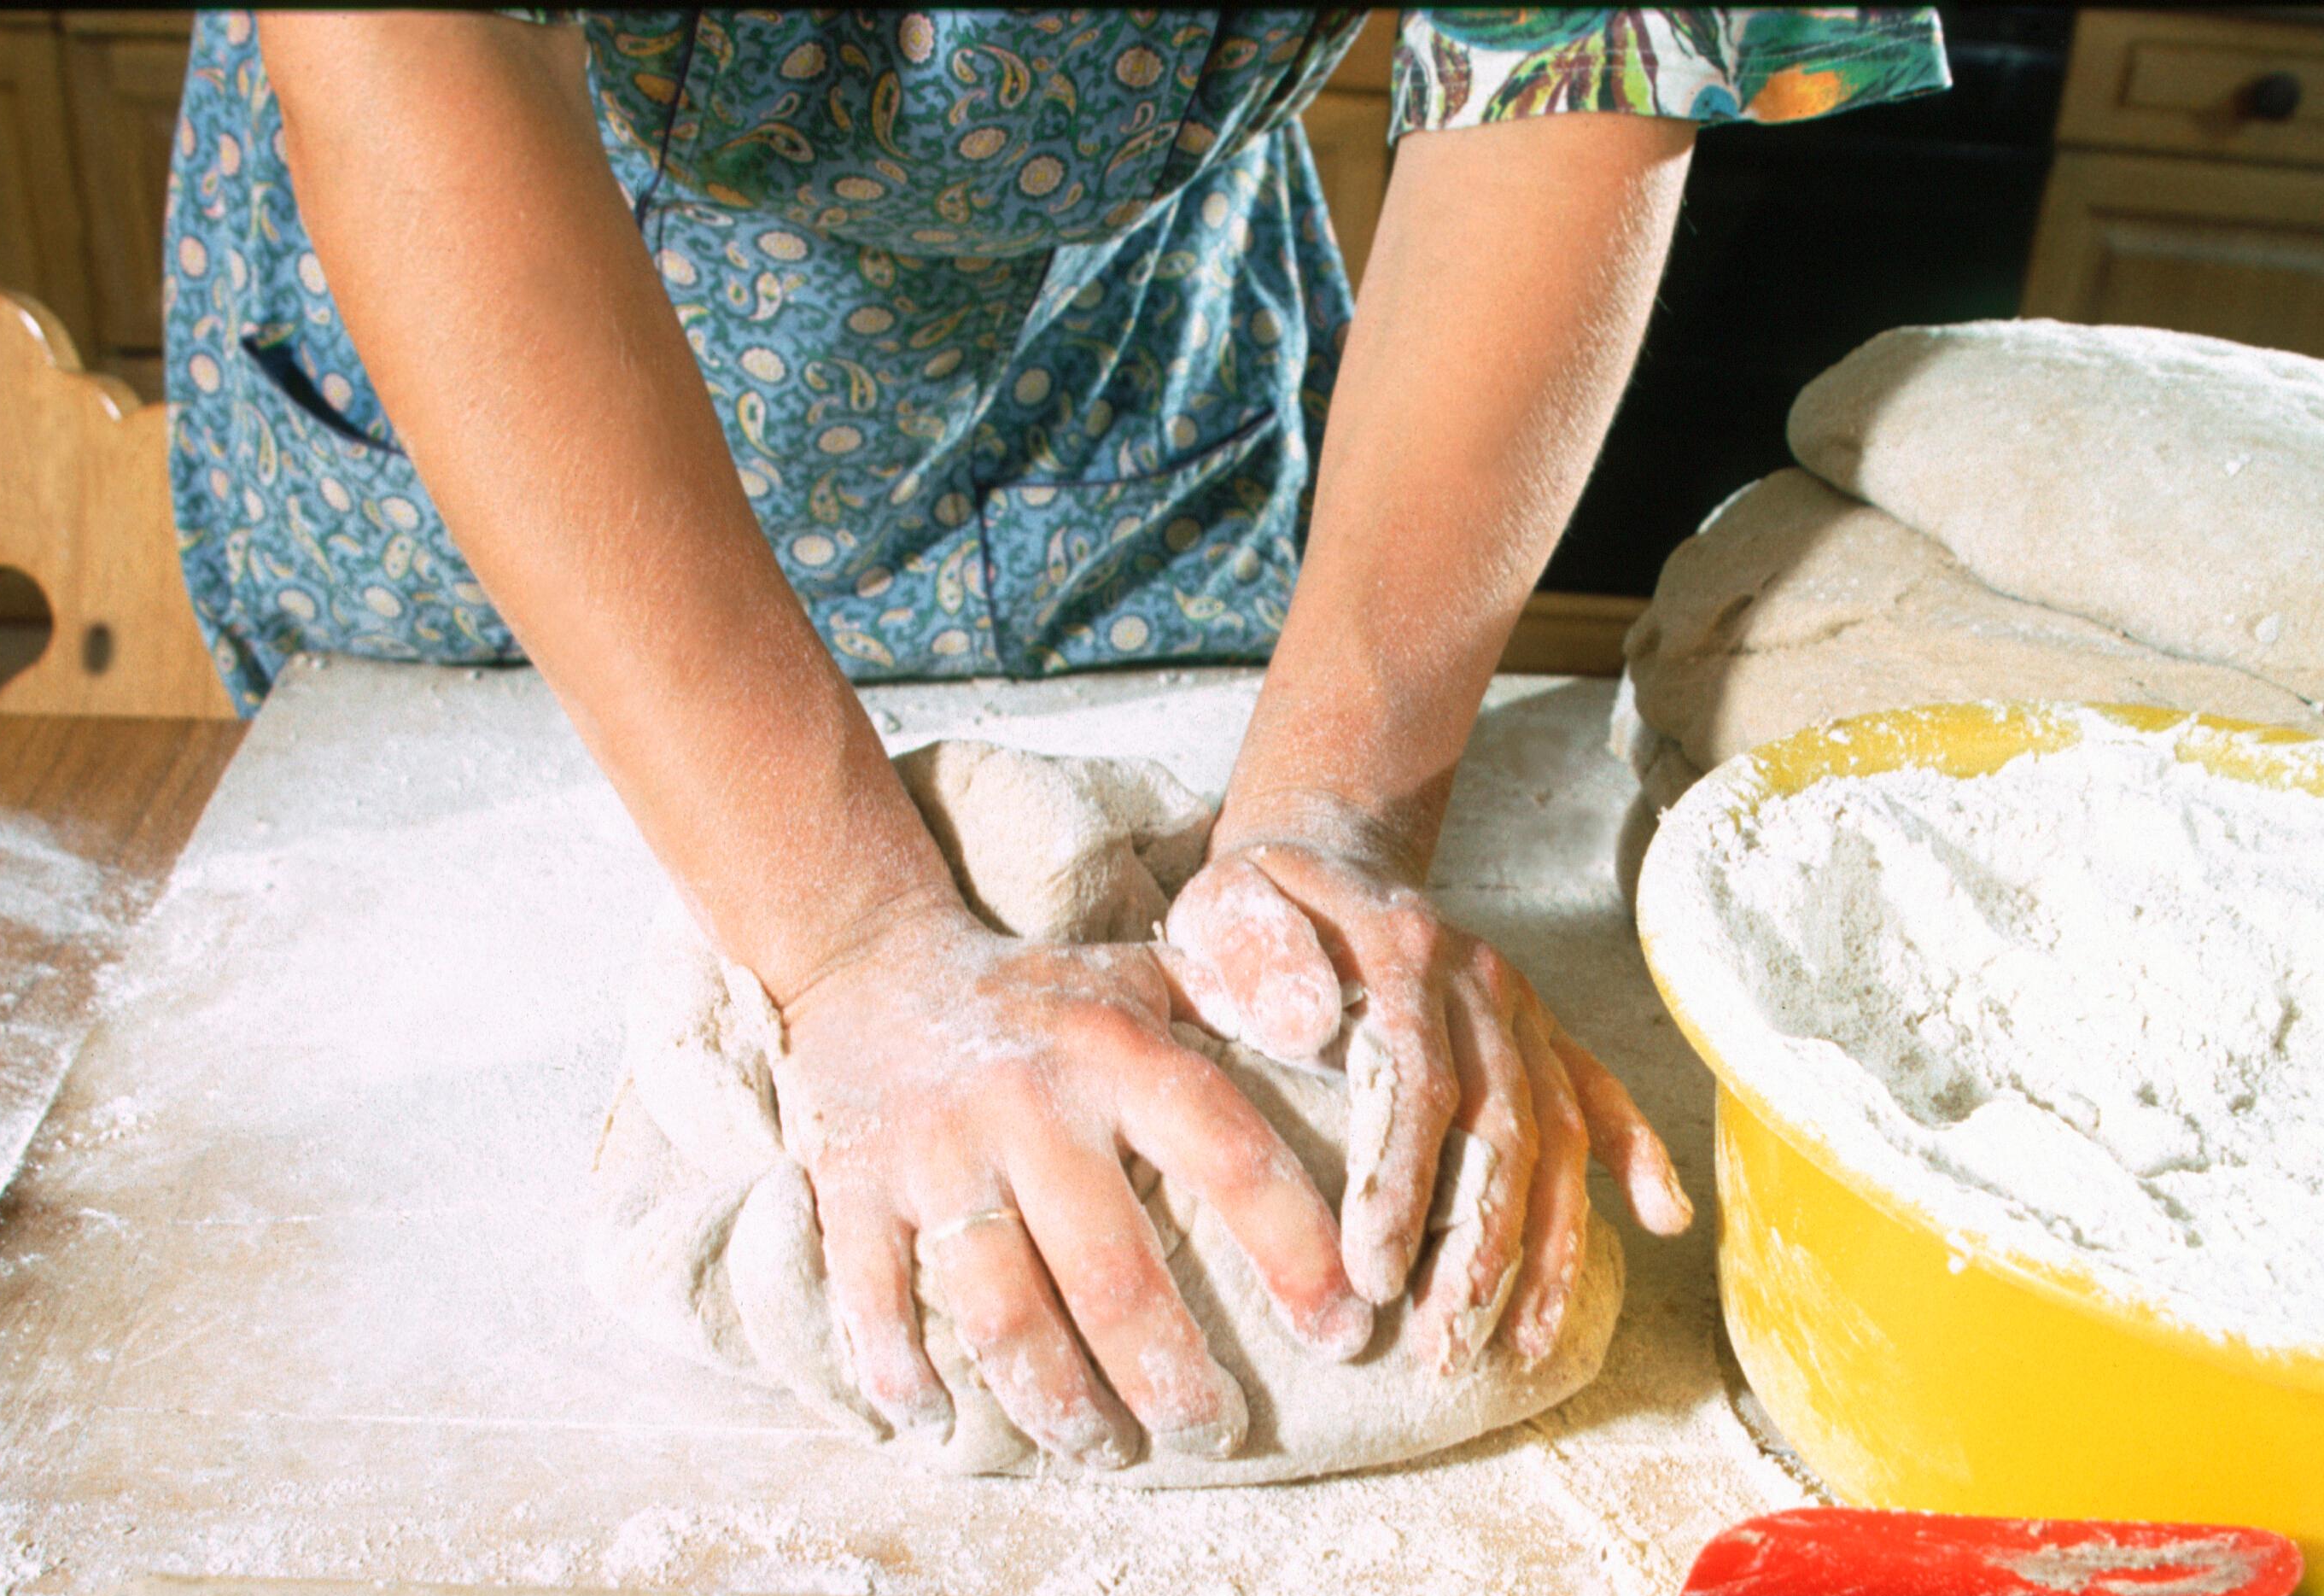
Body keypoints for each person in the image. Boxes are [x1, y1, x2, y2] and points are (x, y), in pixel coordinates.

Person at [164, 9, 1947, 1466]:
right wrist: (851, 937)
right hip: (508, 356)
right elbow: (408, 45)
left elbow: (1588, 61)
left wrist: (1330, 818)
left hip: (1108, 380)